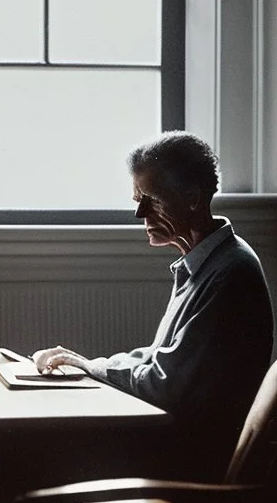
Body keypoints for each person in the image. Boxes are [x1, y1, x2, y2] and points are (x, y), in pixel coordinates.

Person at [33, 131, 274, 478]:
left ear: (192, 198)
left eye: (150, 199)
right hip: (173, 448)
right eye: (136, 199)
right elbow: (162, 358)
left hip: (184, 466)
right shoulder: (208, 263)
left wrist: (90, 368)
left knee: (37, 456)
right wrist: (87, 364)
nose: (139, 214)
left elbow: (164, 384)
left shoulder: (229, 272)